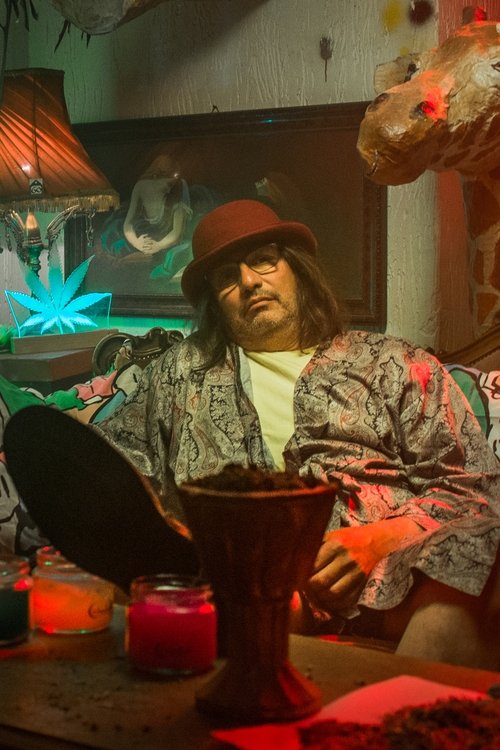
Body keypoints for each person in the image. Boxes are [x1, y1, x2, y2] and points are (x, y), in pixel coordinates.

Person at [5, 199, 500, 669]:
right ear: (215, 302)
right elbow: (118, 468)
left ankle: (407, 715)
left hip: (396, 571)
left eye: (263, 260)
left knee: (474, 554)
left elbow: (476, 488)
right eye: (226, 276)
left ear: (297, 270)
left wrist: (379, 540)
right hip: (244, 573)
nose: (247, 281)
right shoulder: (180, 371)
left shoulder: (395, 363)